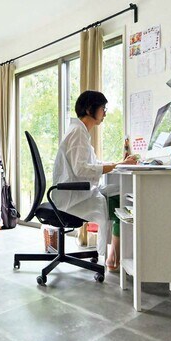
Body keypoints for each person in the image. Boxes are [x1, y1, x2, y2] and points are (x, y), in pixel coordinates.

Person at [52, 91, 137, 271]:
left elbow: (93, 164)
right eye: (103, 108)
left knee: (118, 194)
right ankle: (113, 257)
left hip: (77, 192)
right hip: (73, 197)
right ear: (90, 109)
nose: (105, 113)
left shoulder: (80, 132)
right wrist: (116, 165)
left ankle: (113, 255)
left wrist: (117, 163)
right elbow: (81, 169)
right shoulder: (78, 133)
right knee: (120, 202)